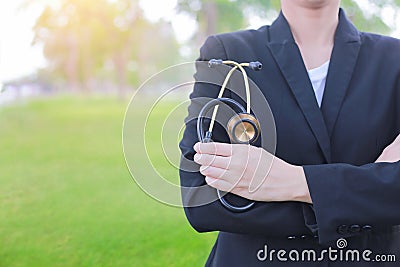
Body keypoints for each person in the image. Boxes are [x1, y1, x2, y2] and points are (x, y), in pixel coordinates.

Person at [179, 0, 400, 266]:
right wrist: (364, 196)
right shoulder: (228, 53)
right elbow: (201, 199)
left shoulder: (393, 60)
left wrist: (296, 181)